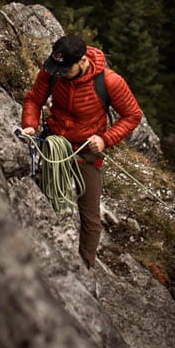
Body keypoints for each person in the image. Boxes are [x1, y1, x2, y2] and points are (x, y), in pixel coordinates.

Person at [21, 34, 144, 268]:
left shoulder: (109, 82)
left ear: (83, 61)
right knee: (46, 196)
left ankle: (85, 267)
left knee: (90, 216)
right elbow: (34, 100)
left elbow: (132, 116)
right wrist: (30, 125)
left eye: (66, 69)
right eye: (58, 68)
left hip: (86, 150)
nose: (61, 73)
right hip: (54, 142)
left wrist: (105, 139)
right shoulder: (53, 71)